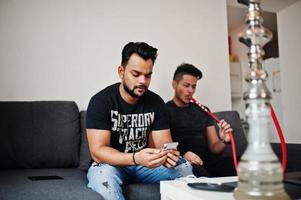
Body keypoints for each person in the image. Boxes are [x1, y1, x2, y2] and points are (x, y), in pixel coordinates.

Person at [86, 42, 192, 200]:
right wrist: (135, 158)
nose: (143, 81)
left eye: (148, 75)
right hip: (111, 165)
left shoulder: (156, 103)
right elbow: (98, 152)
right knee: (103, 176)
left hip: (145, 166)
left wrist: (168, 155)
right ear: (121, 72)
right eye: (136, 74)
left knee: (184, 168)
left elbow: (163, 143)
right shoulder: (101, 101)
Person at [166, 63, 233, 177]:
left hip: (209, 162)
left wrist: (224, 140)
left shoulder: (203, 110)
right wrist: (182, 157)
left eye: (194, 86)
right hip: (185, 163)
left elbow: (214, 148)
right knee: (198, 172)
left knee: (239, 165)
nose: (190, 90)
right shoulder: (164, 111)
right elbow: (164, 147)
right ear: (174, 84)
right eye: (186, 85)